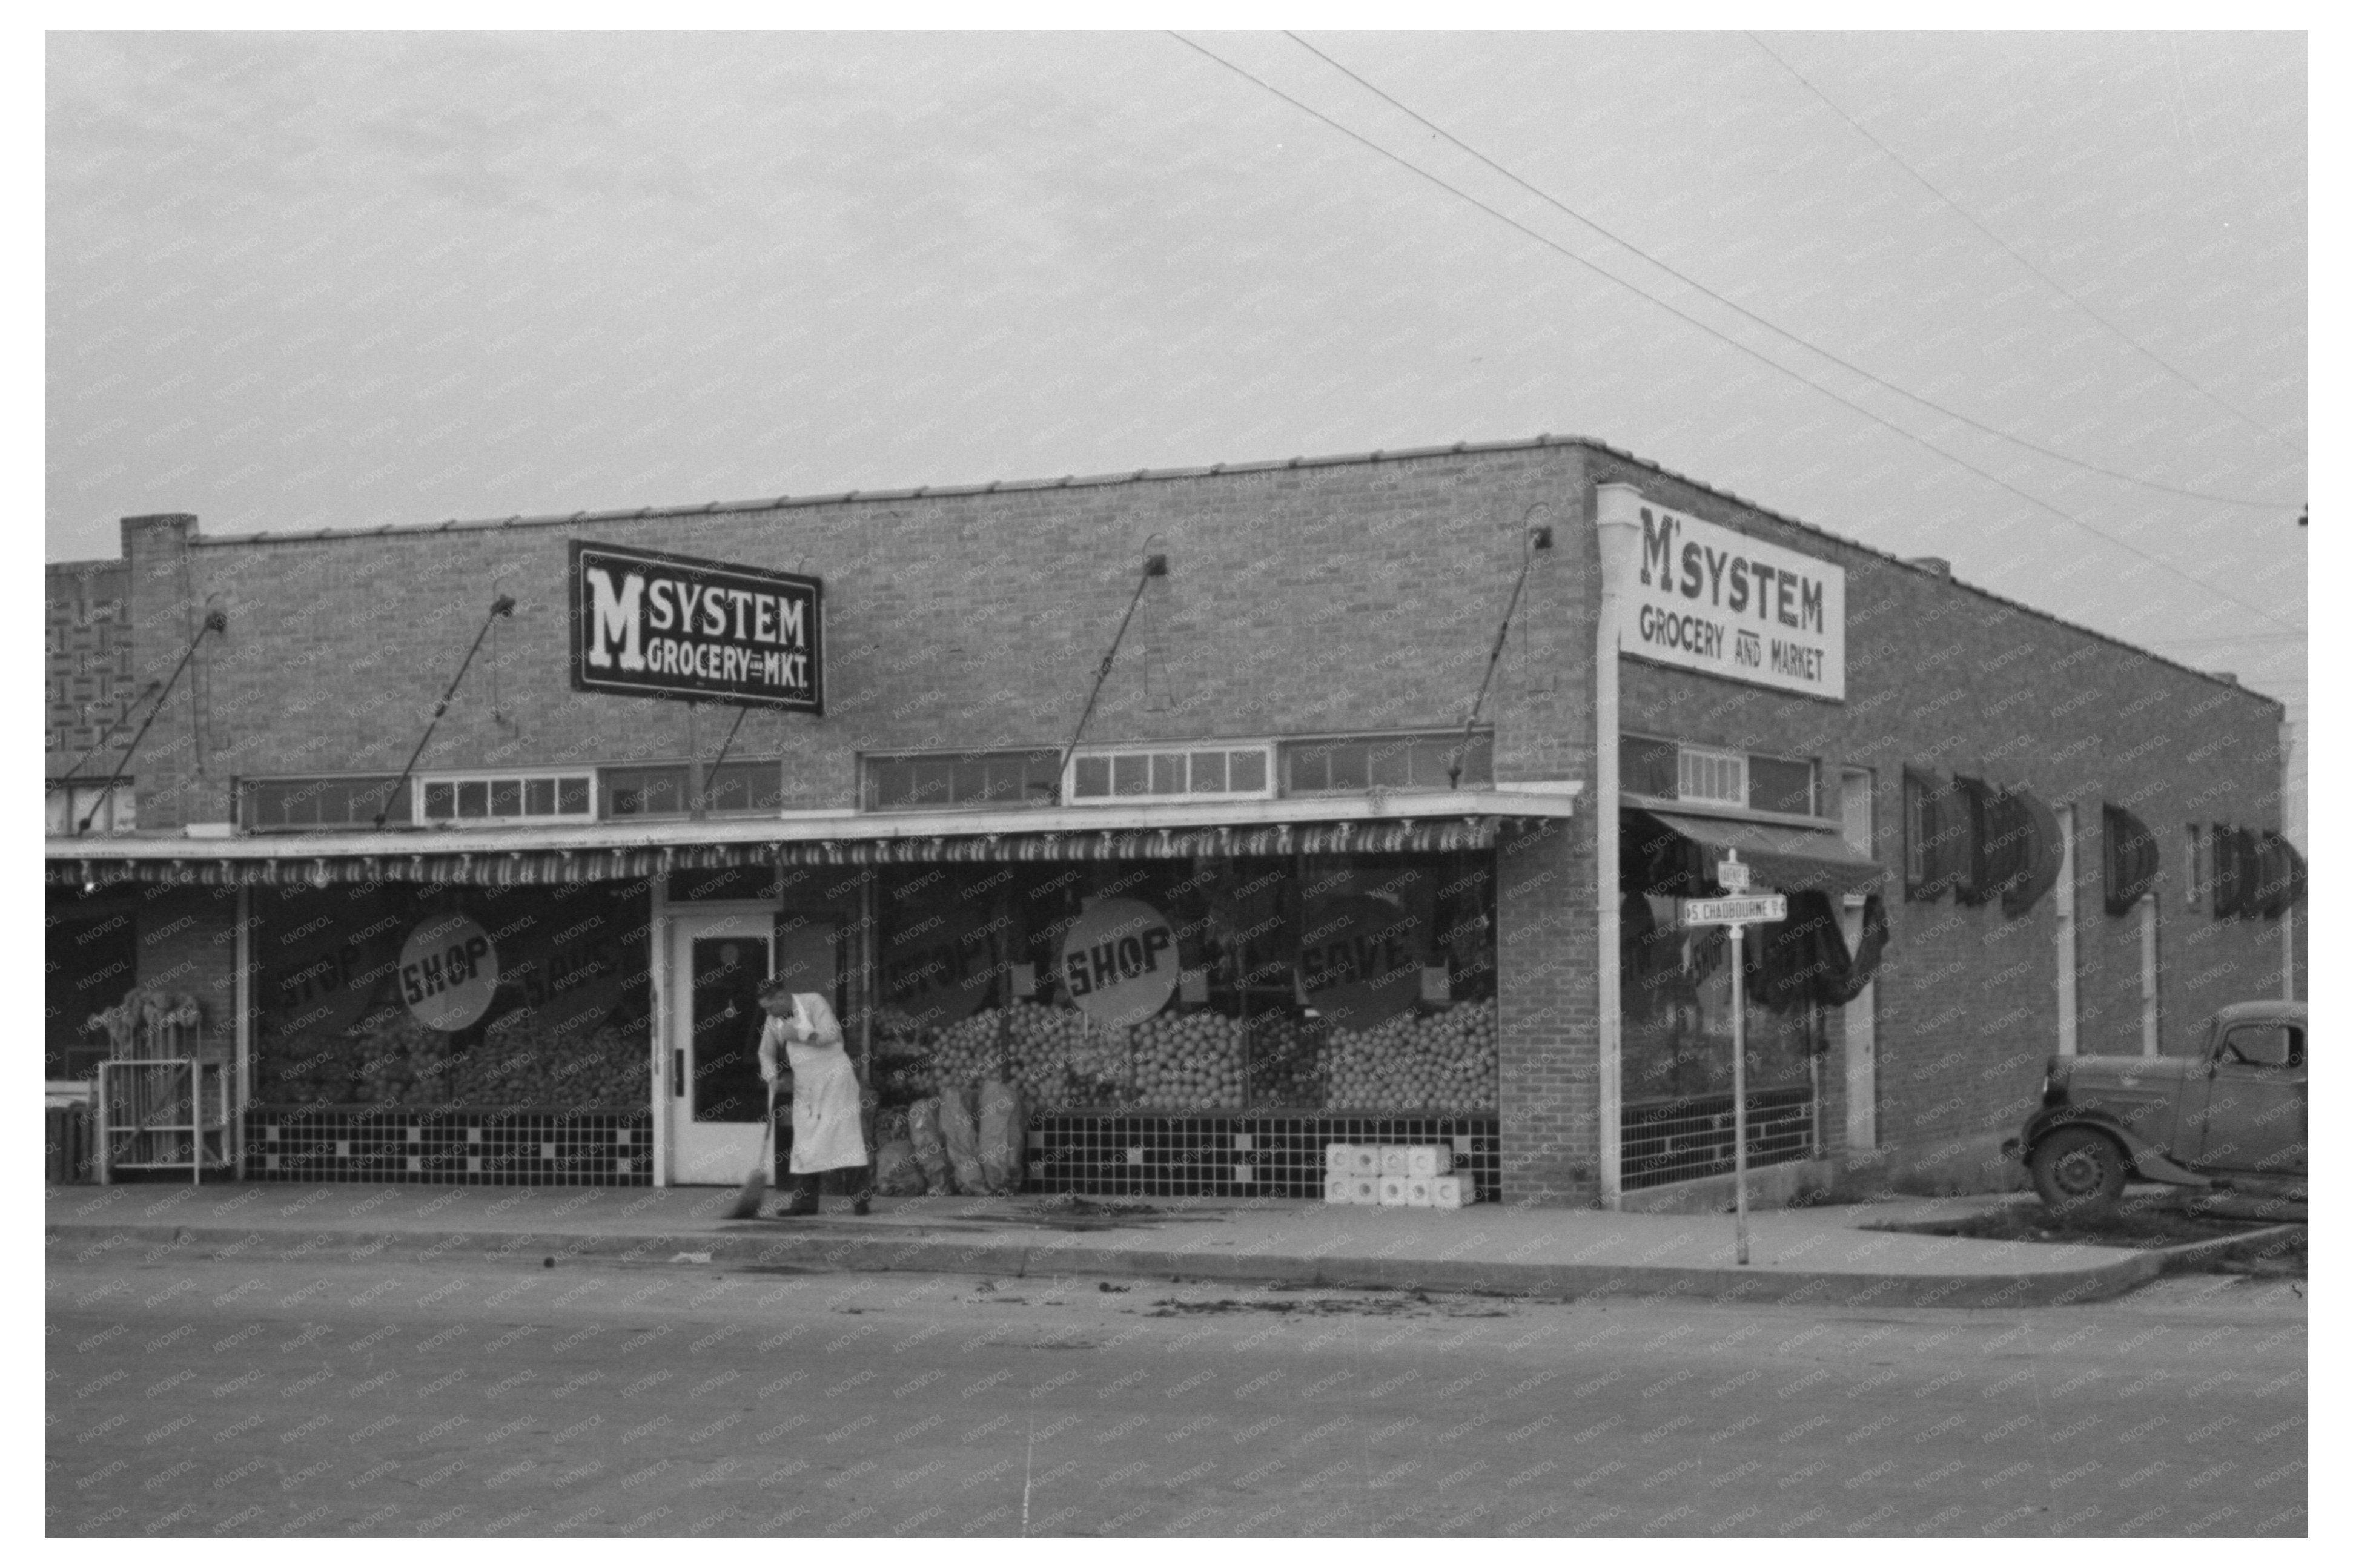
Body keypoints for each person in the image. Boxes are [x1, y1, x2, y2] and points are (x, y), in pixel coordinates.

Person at [755, 978, 872, 1216]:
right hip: (806, 1087)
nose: (768, 1013)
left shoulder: (813, 1002)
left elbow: (832, 1034)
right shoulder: (772, 1021)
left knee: (845, 1137)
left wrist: (798, 1034)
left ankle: (861, 1200)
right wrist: (772, 1077)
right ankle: (804, 1204)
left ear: (782, 997)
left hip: (836, 1081)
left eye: (770, 1007)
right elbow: (765, 1052)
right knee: (804, 1143)